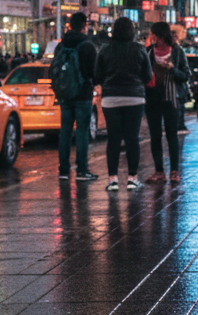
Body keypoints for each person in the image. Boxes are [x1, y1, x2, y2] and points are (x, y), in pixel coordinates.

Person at [95, 16, 153, 190]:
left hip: (111, 98)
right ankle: (132, 178)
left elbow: (97, 76)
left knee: (113, 139)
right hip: (134, 97)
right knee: (132, 139)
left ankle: (112, 180)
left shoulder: (105, 50)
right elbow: (148, 76)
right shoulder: (139, 49)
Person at [52, 11, 99, 182]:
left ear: (70, 25)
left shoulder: (61, 45)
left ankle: (63, 170)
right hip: (83, 94)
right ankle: (81, 170)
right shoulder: (87, 45)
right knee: (81, 132)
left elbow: (54, 70)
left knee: (64, 132)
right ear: (85, 25)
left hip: (64, 94)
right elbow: (94, 72)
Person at [144, 21, 190, 183]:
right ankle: (159, 171)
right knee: (155, 135)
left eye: (153, 34)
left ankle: (174, 172)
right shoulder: (149, 52)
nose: (151, 37)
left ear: (160, 36)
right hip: (152, 99)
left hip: (171, 99)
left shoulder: (177, 52)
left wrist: (172, 68)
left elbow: (186, 75)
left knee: (172, 135)